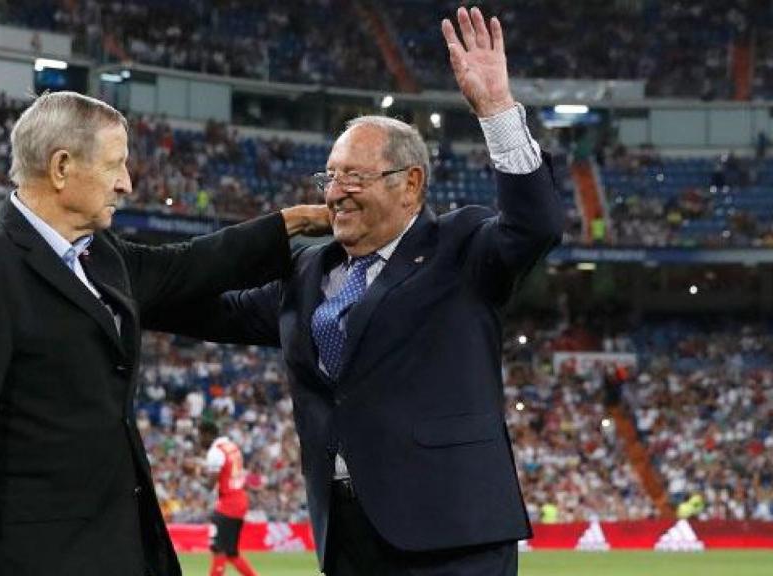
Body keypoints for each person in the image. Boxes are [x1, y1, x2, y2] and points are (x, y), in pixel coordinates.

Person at [151, 7, 564, 575]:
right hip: (347, 539)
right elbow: (202, 306)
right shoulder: (308, 272)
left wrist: (496, 112)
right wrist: (120, 284)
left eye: (354, 177)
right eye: (330, 177)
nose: (336, 193)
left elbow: (536, 227)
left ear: (410, 184)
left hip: (452, 538)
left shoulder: (459, 250)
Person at [0, 92, 329, 576]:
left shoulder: (102, 255)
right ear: (61, 167)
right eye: (115, 165)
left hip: (123, 544)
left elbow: (191, 263)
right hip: (38, 556)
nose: (126, 184)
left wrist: (296, 221)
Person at [198, 420, 258, 576]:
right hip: (239, 499)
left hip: (228, 503)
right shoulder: (231, 446)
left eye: (201, 436)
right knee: (231, 553)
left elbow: (210, 485)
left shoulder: (215, 452)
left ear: (208, 434)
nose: (199, 440)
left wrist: (196, 475)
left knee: (217, 548)